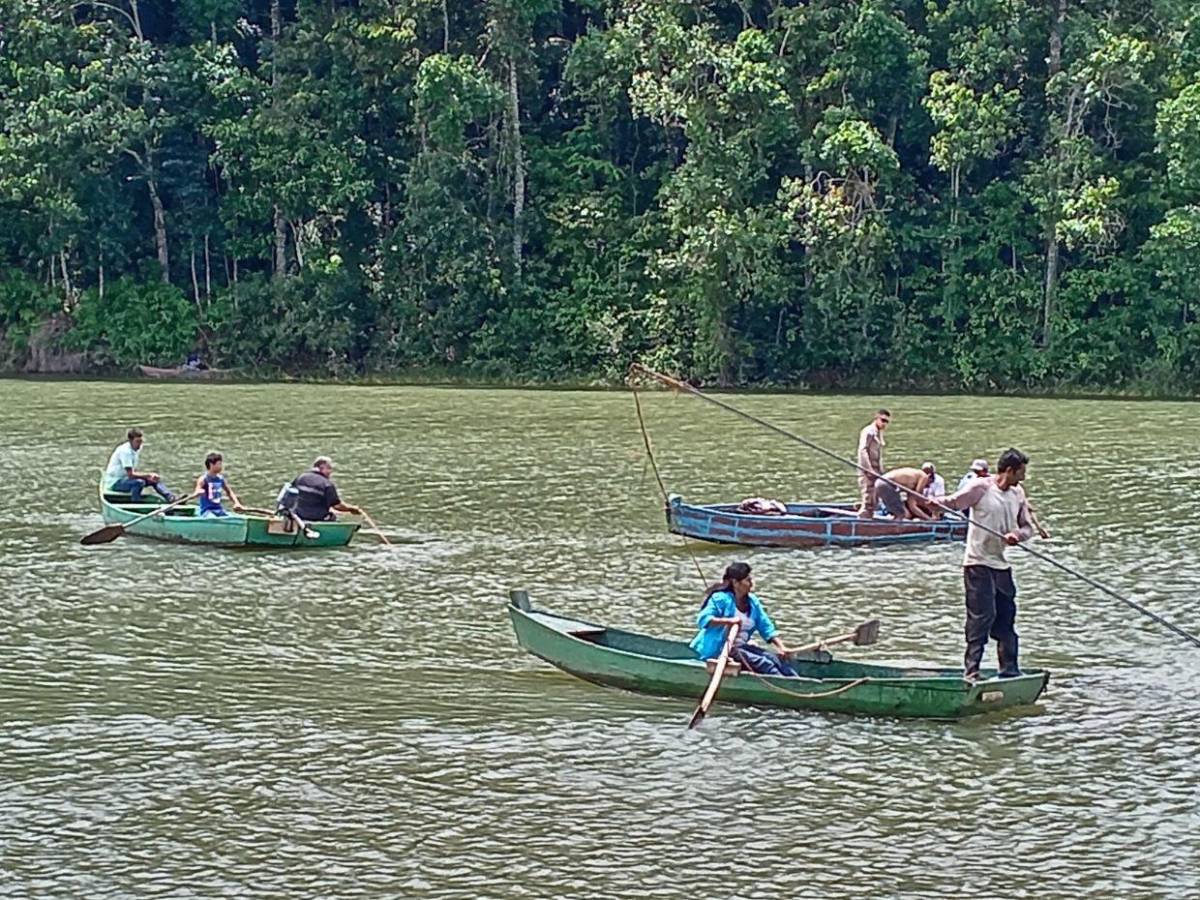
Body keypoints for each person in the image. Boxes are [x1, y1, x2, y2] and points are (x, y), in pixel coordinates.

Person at [934, 448, 1034, 681]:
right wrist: (934, 504)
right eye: (1021, 472)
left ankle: (1009, 669)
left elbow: (1027, 527)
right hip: (977, 563)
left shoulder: (1018, 493)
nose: (1024, 477)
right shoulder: (981, 488)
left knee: (1006, 618)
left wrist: (1017, 536)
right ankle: (972, 672)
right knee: (982, 617)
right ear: (1009, 470)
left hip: (1001, 565)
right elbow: (954, 503)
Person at [690, 562, 797, 677]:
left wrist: (781, 647)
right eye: (748, 580)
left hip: (741, 648)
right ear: (736, 583)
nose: (751, 584)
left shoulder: (753, 602)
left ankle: (797, 682)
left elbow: (766, 627)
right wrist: (728, 621)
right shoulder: (721, 599)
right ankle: (783, 687)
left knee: (774, 658)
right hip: (722, 649)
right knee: (765, 664)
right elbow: (703, 619)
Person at [104, 428, 176, 503]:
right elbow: (131, 475)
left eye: (141, 441)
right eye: (137, 442)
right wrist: (148, 475)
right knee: (139, 482)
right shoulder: (125, 452)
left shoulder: (136, 448)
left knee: (154, 479)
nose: (139, 444)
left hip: (126, 479)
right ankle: (136, 504)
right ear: (131, 441)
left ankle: (170, 497)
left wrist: (150, 477)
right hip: (115, 482)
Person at [290, 456, 362, 522]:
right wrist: (352, 508)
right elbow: (337, 506)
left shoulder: (301, 477)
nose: (330, 472)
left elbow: (290, 493)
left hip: (298, 516)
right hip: (317, 517)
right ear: (321, 467)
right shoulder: (327, 484)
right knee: (332, 516)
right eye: (329, 468)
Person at [856, 409, 890, 518]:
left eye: (887, 422)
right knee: (868, 500)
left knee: (875, 498)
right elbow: (863, 450)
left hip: (876, 471)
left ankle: (868, 517)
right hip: (867, 471)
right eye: (883, 420)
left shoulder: (878, 433)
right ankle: (861, 519)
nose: (884, 424)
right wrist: (868, 469)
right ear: (876, 418)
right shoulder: (868, 431)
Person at [192, 452, 243, 518]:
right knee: (213, 518)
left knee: (231, 518)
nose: (221, 466)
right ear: (211, 465)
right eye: (219, 464)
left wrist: (237, 503)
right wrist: (199, 492)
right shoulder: (203, 479)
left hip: (218, 509)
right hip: (207, 511)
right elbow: (196, 492)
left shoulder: (220, 479)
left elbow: (229, 492)